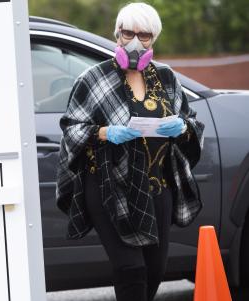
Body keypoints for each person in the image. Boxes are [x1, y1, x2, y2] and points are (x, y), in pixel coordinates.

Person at [56, 3, 205, 301]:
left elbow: (191, 124)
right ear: (117, 34)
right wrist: (105, 132)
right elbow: (71, 128)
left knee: (155, 270)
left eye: (144, 35)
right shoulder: (93, 78)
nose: (135, 41)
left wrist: (182, 126)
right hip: (108, 185)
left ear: (154, 39)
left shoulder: (166, 78)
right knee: (130, 269)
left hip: (157, 186)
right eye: (128, 33)